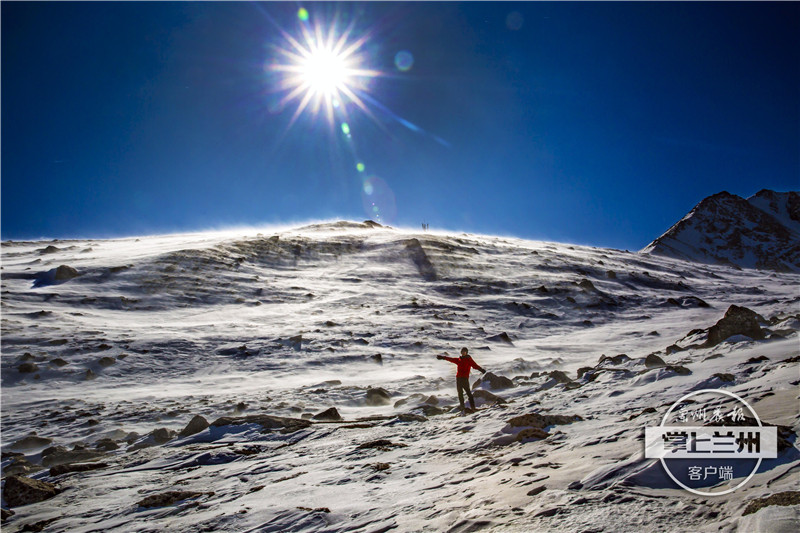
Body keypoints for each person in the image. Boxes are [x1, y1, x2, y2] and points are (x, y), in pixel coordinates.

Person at [436, 347, 486, 413]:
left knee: (468, 393)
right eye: (462, 352)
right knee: (460, 394)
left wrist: (481, 370)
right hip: (458, 379)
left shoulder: (469, 360)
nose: (463, 353)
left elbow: (475, 365)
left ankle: (473, 408)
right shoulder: (459, 360)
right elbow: (450, 359)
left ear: (466, 352)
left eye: (464, 351)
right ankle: (463, 408)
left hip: (465, 379)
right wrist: (443, 357)